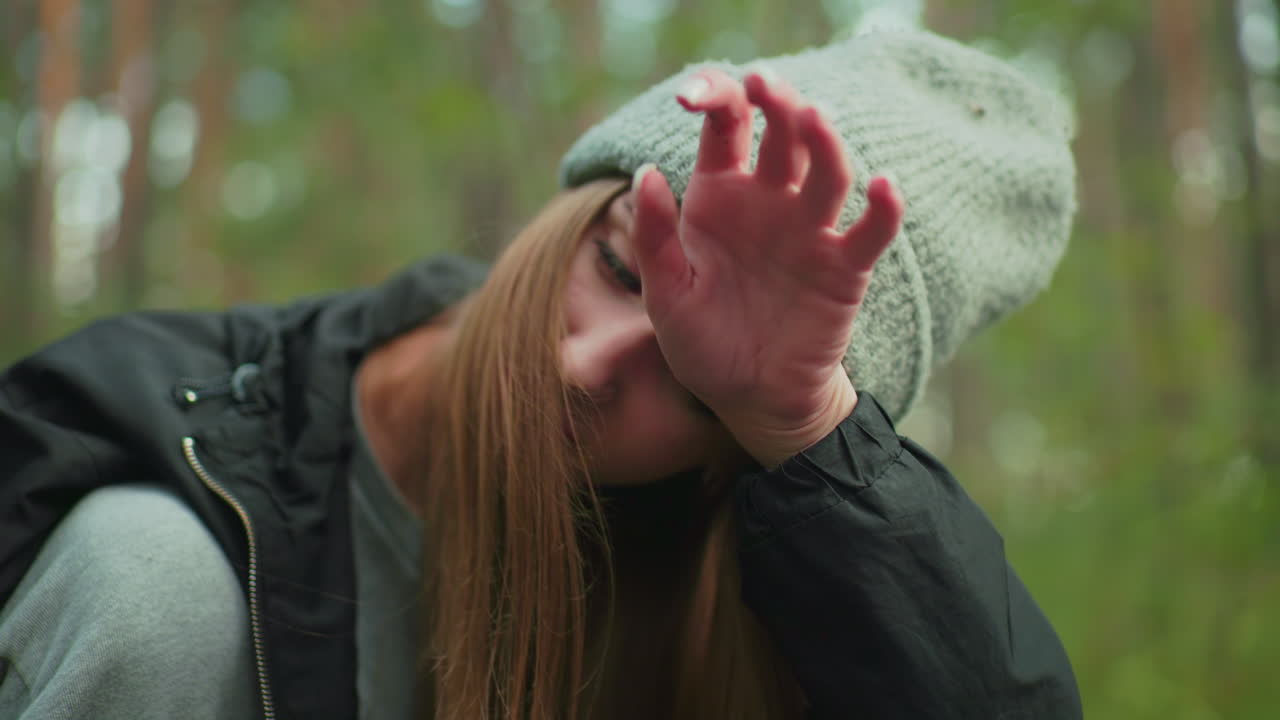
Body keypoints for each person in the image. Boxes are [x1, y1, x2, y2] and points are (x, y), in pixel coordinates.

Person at [0, 28, 1080, 720]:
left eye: (698, 389)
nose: (581, 363)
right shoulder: (155, 448)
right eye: (617, 264)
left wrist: (803, 425)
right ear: (567, 211)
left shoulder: (734, 602)